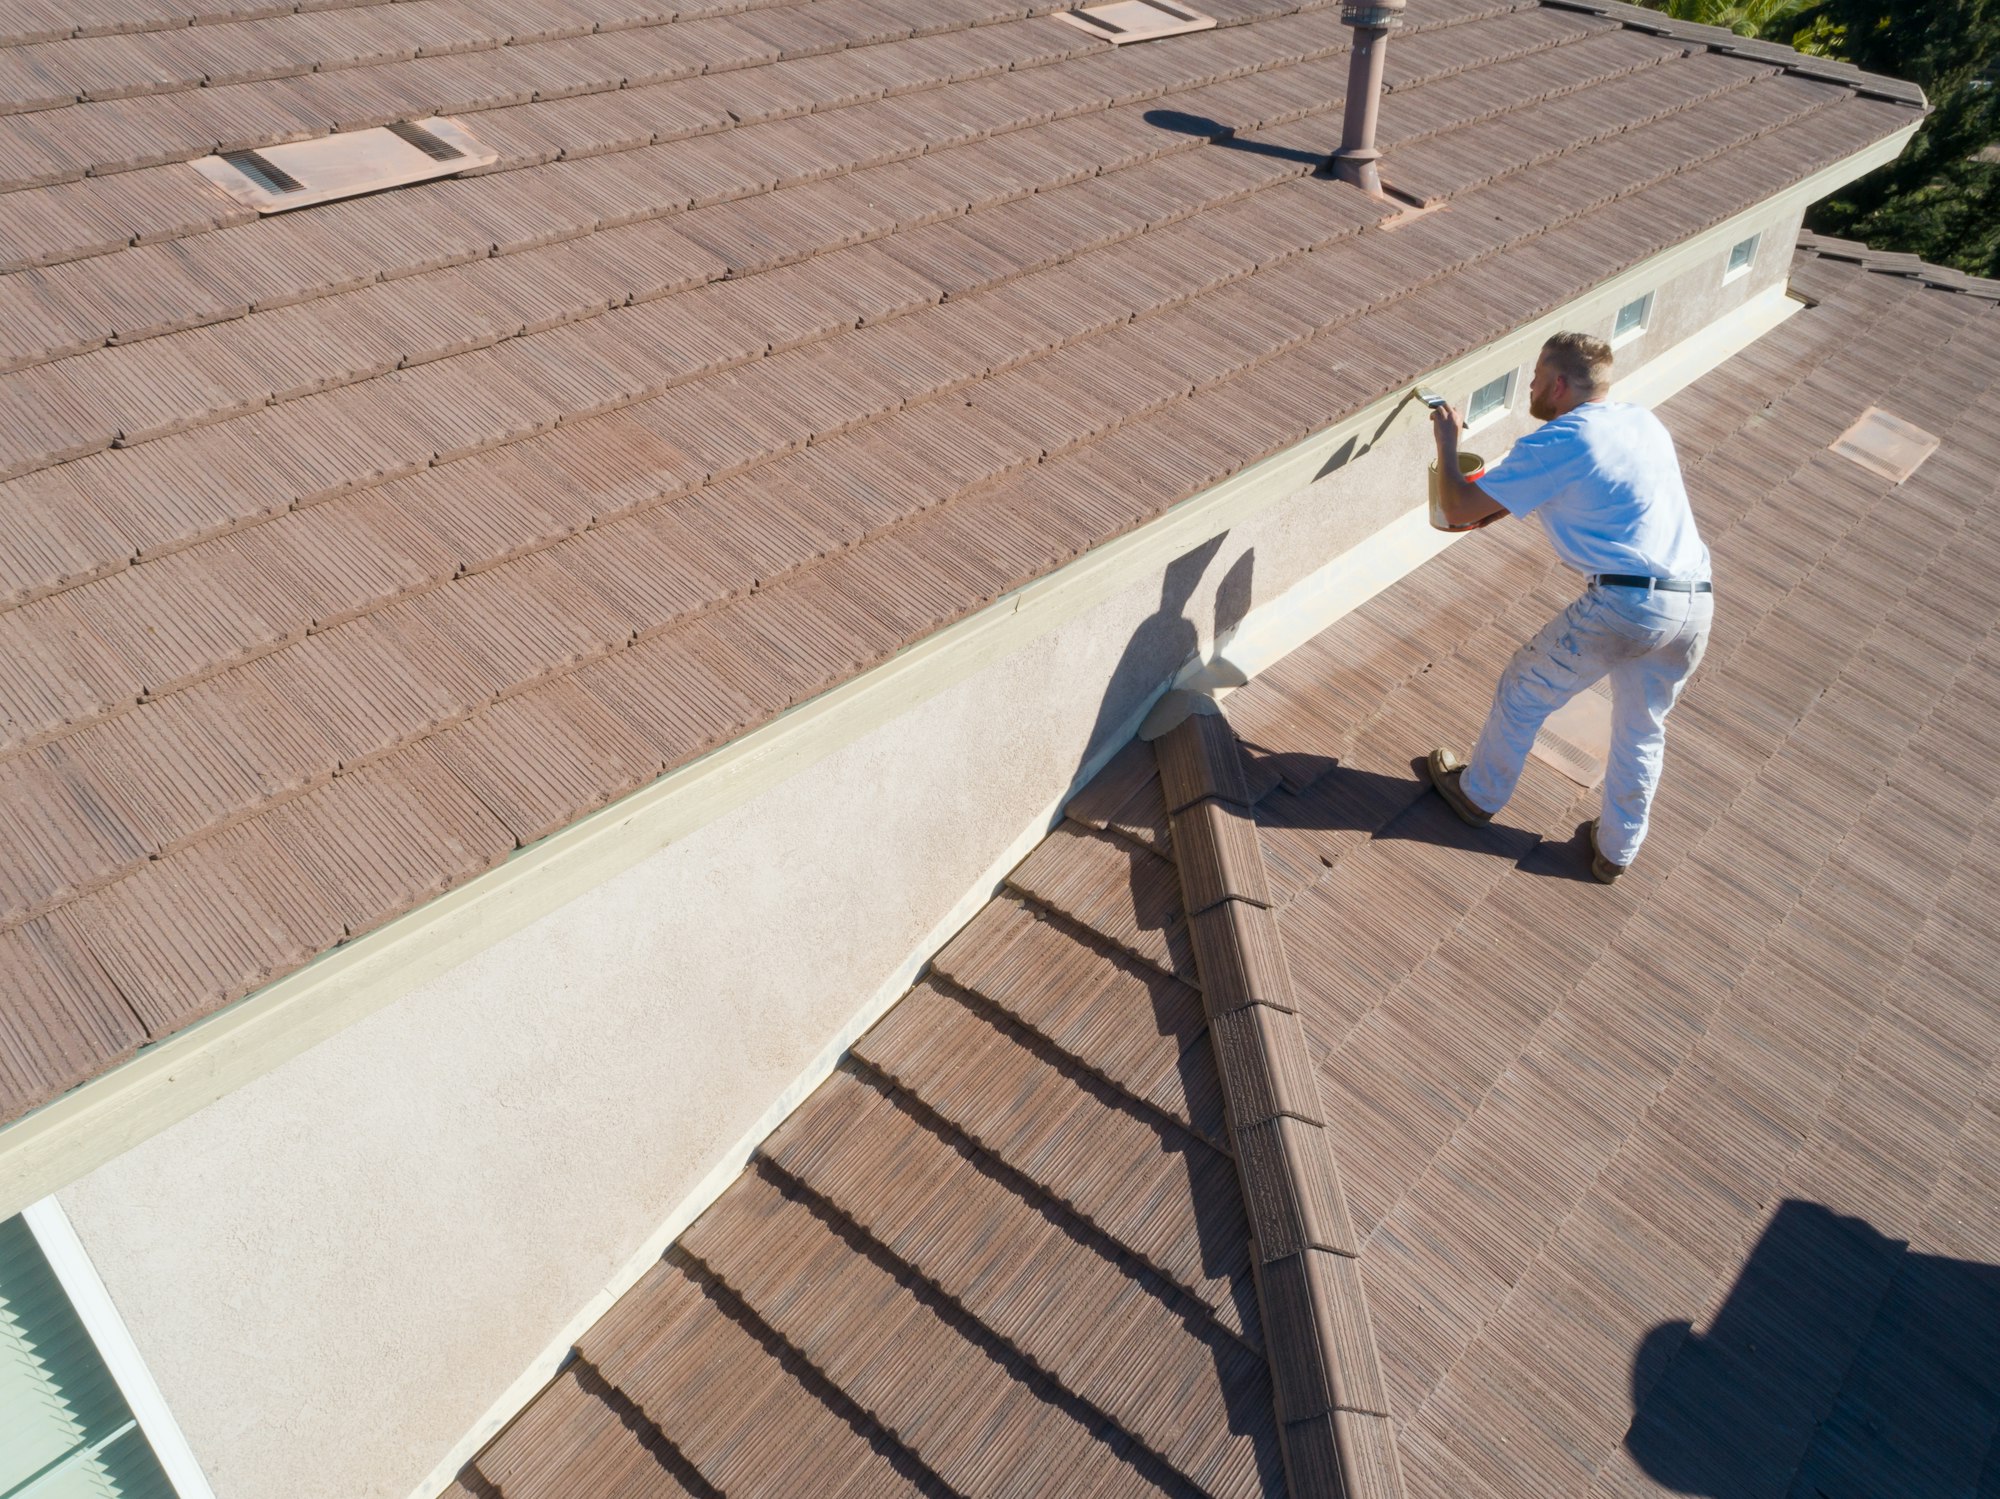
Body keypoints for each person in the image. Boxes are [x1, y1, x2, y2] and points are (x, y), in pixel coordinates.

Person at [1424, 332, 1713, 883]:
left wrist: (1447, 441)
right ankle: (1616, 851)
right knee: (1641, 726)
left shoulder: (1561, 440)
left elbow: (1458, 509)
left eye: (1535, 377)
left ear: (1558, 384)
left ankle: (1477, 795)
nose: (1530, 386)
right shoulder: (1643, 421)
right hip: (1695, 600)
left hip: (1628, 602)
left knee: (1524, 686)